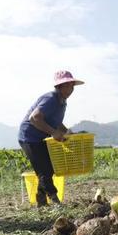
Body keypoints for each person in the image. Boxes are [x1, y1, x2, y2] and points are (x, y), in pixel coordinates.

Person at [18, 70, 84, 206]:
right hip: (30, 137)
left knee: (50, 168)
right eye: (67, 85)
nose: (71, 89)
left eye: (72, 86)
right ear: (59, 87)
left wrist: (66, 131)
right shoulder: (51, 99)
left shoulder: (62, 102)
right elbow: (34, 118)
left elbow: (55, 121)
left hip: (41, 137)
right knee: (44, 170)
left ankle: (41, 201)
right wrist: (53, 132)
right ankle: (55, 201)